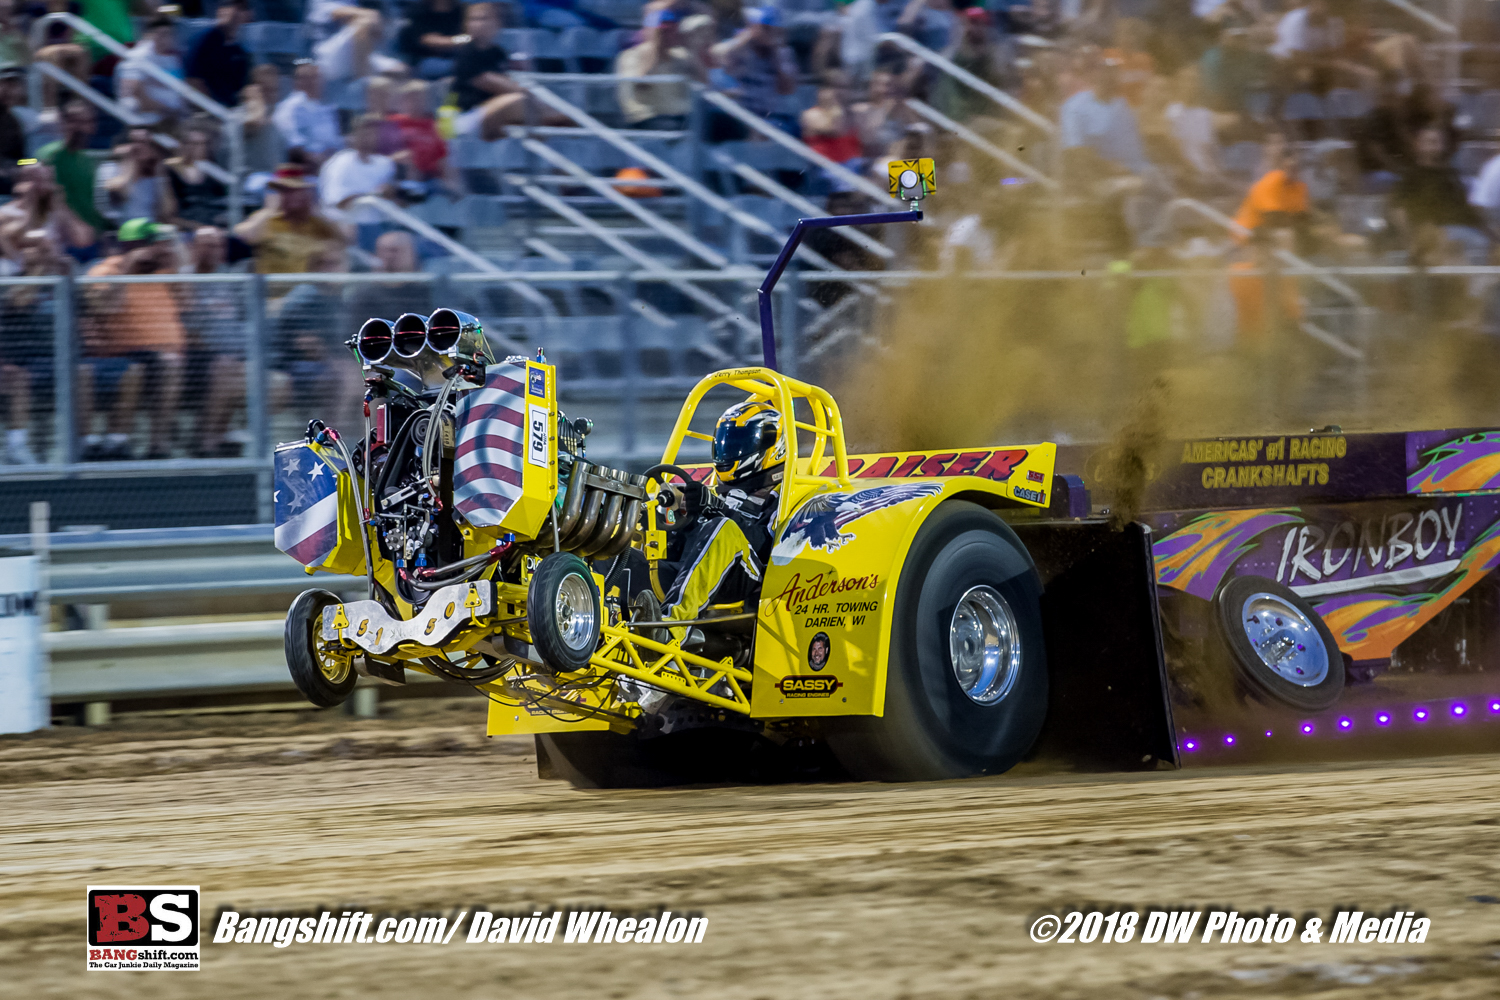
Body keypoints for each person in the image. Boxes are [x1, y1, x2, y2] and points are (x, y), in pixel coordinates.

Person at [654, 400, 782, 624]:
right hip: (693, 569)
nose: (730, 450)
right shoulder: (714, 489)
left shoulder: (782, 493)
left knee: (722, 528)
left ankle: (671, 627)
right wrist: (673, 518)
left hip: (746, 576)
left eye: (740, 442)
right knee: (624, 539)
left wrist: (718, 509)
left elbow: (768, 547)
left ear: (772, 445)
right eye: (726, 442)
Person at [84, 218, 186, 459]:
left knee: (179, 364)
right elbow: (107, 309)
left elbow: (187, 302)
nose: (159, 249)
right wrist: (127, 270)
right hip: (125, 352)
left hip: (167, 355)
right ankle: (121, 442)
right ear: (132, 246)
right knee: (158, 366)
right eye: (152, 244)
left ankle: (158, 447)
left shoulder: (163, 273)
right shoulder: (105, 271)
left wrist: (176, 249)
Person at [271, 244, 361, 431]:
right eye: (324, 264)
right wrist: (341, 361)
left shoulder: (344, 297)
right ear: (314, 268)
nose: (331, 270)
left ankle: (369, 449)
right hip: (296, 368)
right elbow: (306, 344)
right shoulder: (305, 296)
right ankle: (330, 442)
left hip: (333, 365)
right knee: (348, 377)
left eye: (336, 264)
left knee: (368, 379)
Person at [176, 226, 246, 457]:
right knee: (225, 366)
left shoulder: (232, 280)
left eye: (217, 245)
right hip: (192, 359)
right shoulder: (182, 280)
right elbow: (184, 328)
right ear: (193, 248)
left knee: (277, 384)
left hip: (231, 357)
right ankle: (207, 439)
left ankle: (221, 430)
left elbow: (246, 321)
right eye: (206, 245)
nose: (212, 251)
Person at [450, 3, 561, 141]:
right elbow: (491, 82)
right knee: (520, 100)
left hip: (494, 115)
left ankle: (558, 131)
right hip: (466, 117)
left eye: (484, 19)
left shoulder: (499, 53)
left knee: (546, 110)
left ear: (497, 23)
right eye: (473, 19)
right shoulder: (466, 52)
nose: (478, 24)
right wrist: (529, 93)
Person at [1394, 126, 1490, 264]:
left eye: (1439, 141)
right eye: (1431, 142)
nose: (1437, 145)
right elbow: (1398, 211)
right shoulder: (1410, 178)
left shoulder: (1452, 175)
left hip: (1464, 229)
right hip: (1433, 232)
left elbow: (1468, 210)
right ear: (1419, 145)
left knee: (1485, 242)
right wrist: (1410, 239)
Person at [233, 163, 350, 273]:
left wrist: (317, 211)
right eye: (284, 191)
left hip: (311, 291)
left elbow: (345, 240)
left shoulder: (316, 223)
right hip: (276, 292)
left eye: (296, 191)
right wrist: (270, 210)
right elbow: (244, 237)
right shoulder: (266, 221)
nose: (291, 196)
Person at [616, 8, 704, 131]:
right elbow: (640, 85)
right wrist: (655, 50)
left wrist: (691, 48)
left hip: (681, 114)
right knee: (680, 128)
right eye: (664, 32)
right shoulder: (631, 56)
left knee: (726, 125)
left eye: (672, 31)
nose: (668, 36)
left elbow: (703, 83)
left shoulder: (680, 55)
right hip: (648, 116)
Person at [318, 113, 398, 249]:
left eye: (372, 134)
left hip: (380, 227)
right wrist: (373, 194)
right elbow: (339, 203)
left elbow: (395, 203)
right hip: (345, 227)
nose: (368, 138)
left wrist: (391, 192)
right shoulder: (340, 163)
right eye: (363, 133)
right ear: (352, 136)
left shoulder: (385, 164)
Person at [711, 7, 798, 130]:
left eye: (773, 28)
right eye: (765, 28)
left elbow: (787, 89)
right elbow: (716, 56)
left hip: (770, 116)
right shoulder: (741, 47)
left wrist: (776, 55)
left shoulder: (782, 53)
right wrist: (745, 38)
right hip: (741, 114)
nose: (770, 33)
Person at [0, 160, 95, 263]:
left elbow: (83, 240)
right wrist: (31, 204)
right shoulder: (6, 213)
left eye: (46, 179)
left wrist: (60, 206)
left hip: (55, 271)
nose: (43, 185)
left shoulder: (56, 212)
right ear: (19, 183)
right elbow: (17, 241)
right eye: (36, 179)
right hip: (20, 274)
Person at [37, 100, 108, 236]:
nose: (84, 128)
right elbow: (50, 198)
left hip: (89, 234)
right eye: (76, 122)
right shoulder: (50, 155)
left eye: (88, 122)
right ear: (64, 124)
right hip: (61, 234)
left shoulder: (86, 161)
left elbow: (89, 203)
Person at [95, 128, 173, 230]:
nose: (139, 147)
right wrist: (132, 163)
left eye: (144, 142)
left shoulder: (155, 174)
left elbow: (167, 211)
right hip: (120, 228)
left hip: (149, 228)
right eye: (134, 142)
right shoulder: (109, 168)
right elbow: (119, 199)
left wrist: (160, 173)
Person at [115, 15, 185, 127]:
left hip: (172, 119)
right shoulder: (136, 56)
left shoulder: (173, 59)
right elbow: (134, 94)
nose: (165, 39)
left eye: (169, 34)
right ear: (150, 34)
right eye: (161, 34)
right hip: (144, 119)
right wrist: (168, 111)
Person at [348, 230, 432, 323]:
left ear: (412, 252)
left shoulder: (430, 289)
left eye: (394, 250)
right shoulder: (364, 294)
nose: (388, 256)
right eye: (383, 251)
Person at [183, 0, 253, 108]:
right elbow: (193, 80)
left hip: (231, 112)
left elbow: (242, 87)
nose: (234, 11)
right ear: (219, 11)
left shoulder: (239, 52)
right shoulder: (203, 40)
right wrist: (213, 108)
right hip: (206, 112)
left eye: (241, 8)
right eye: (228, 5)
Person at [272, 60, 343, 166]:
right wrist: (319, 162)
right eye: (305, 78)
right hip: (302, 168)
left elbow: (334, 143)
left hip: (329, 162)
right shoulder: (289, 108)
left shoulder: (326, 108)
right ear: (295, 81)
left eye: (315, 77)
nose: (311, 82)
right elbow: (295, 148)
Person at [164, 122, 229, 229]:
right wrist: (199, 228)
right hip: (187, 227)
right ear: (182, 144)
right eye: (192, 143)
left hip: (216, 225)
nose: (197, 148)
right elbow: (168, 215)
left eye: (202, 144)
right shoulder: (171, 170)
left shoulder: (215, 171)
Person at [306, 0, 387, 84]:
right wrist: (373, 16)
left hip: (352, 53)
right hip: (325, 57)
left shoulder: (352, 2)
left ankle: (366, 76)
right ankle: (362, 84)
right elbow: (338, 13)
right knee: (365, 23)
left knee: (395, 71)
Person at [396, 0, 465, 79]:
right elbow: (429, 41)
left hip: (455, 56)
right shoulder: (417, 10)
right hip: (422, 59)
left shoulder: (461, 10)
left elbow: (472, 37)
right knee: (461, 66)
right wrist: (461, 39)